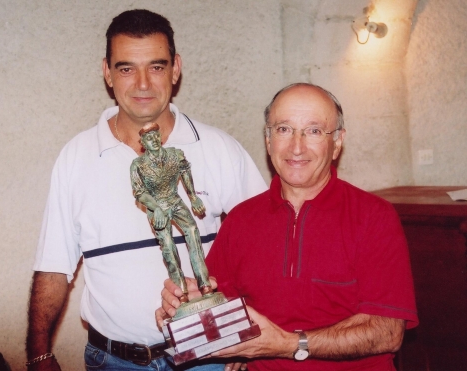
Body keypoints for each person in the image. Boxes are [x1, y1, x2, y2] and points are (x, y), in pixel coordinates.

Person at [26, 9, 266, 371]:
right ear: (107, 72)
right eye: (126, 68)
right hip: (114, 360)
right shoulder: (76, 157)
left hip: (210, 356)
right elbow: (53, 268)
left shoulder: (219, 148)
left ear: (175, 68)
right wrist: (39, 356)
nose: (142, 84)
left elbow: (266, 244)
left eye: (156, 66)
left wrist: (246, 329)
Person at [159, 83, 418, 371]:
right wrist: (186, 305)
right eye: (284, 129)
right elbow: (220, 310)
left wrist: (289, 344)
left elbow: (387, 332)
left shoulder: (374, 217)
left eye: (314, 131)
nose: (297, 146)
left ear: (338, 142)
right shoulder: (241, 219)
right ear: (268, 140)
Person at [131, 123, 212, 301]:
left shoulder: (175, 155)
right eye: (149, 138)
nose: (154, 140)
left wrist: (193, 198)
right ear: (143, 143)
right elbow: (139, 193)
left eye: (156, 136)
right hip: (156, 207)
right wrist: (156, 209)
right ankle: (181, 290)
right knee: (168, 244)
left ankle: (204, 283)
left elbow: (185, 172)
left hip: (175, 201)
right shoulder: (138, 165)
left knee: (192, 230)